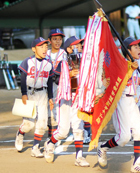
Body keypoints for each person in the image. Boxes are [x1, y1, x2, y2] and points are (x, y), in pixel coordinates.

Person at [97, 36, 140, 173]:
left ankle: (136, 164)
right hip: (121, 102)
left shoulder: (137, 64)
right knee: (123, 138)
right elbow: (114, 78)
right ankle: (102, 147)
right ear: (127, 50)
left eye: (139, 46)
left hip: (132, 101)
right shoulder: (121, 64)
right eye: (135, 47)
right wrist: (129, 68)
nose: (139, 49)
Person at [44, 36, 90, 167]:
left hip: (78, 96)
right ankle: (50, 143)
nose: (80, 45)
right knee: (63, 131)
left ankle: (79, 157)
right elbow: (56, 78)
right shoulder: (62, 62)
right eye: (76, 44)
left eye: (80, 44)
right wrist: (68, 74)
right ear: (69, 49)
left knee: (78, 127)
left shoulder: (83, 61)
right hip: (65, 97)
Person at [15, 37, 54, 158]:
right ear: (33, 49)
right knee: (29, 124)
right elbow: (22, 78)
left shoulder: (48, 63)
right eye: (41, 46)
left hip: (42, 94)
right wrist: (24, 93)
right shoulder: (28, 61)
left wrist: (50, 98)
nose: (44, 49)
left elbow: (50, 82)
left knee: (42, 123)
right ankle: (20, 134)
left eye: (46, 47)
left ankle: (35, 147)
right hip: (30, 93)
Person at [46, 28, 65, 145]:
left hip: (59, 84)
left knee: (59, 109)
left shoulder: (64, 53)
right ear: (49, 41)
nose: (57, 42)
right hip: (47, 84)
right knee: (49, 111)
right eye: (54, 39)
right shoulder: (45, 53)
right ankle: (50, 135)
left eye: (60, 39)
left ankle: (55, 136)